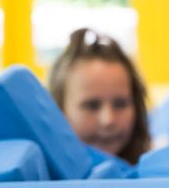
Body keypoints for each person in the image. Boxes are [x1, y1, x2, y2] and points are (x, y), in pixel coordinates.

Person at [48, 28, 151, 164]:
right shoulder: (42, 179)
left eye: (120, 104)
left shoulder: (154, 167)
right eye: (92, 106)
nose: (108, 120)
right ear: (59, 109)